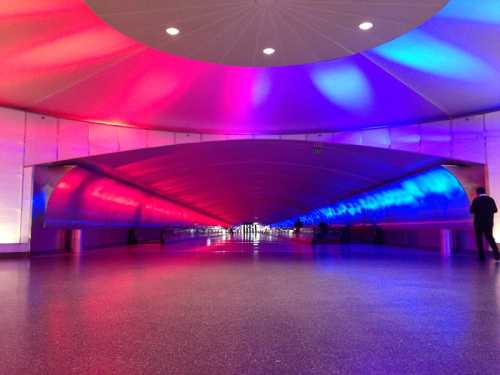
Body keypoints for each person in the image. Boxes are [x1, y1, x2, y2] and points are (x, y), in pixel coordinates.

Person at [470, 187, 500, 261]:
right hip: (489, 222)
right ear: (484, 192)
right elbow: (495, 210)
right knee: (490, 238)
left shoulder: (476, 200)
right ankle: (497, 255)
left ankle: (481, 257)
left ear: (477, 193)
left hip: (478, 222)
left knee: (479, 239)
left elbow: (472, 210)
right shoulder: (490, 199)